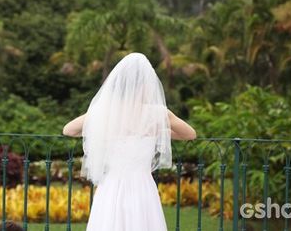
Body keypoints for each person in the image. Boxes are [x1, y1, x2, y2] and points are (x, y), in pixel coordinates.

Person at [63, 52, 196, 231]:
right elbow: (190, 134)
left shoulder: (106, 112)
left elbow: (69, 130)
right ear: (145, 86)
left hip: (111, 185)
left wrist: (101, 129)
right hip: (141, 187)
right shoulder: (157, 113)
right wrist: (157, 131)